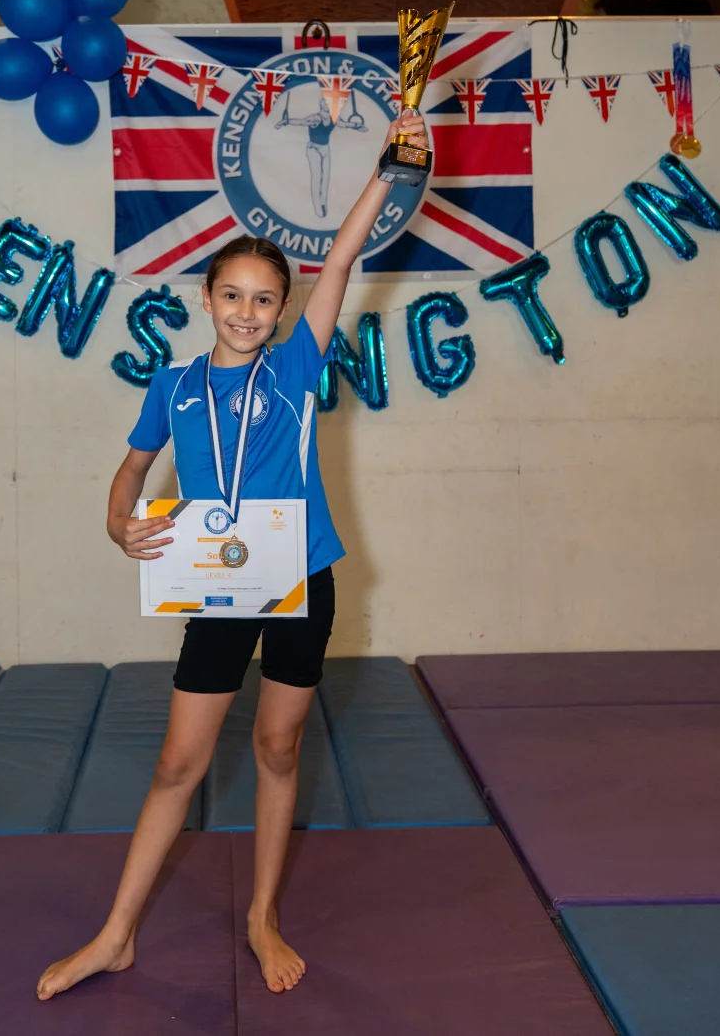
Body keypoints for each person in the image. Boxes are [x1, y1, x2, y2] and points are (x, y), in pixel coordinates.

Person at [37, 110, 429, 1003]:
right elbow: (131, 470)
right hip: (217, 589)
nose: (248, 311)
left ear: (281, 310)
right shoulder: (172, 384)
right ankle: (116, 932)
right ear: (205, 302)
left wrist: (388, 170)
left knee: (279, 745)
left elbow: (338, 261)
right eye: (232, 296)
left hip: (298, 580)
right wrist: (118, 521)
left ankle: (260, 915)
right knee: (180, 762)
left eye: (264, 299)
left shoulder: (295, 367)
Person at [278, 90, 368, 219]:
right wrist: (285, 121)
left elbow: (344, 124)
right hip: (313, 148)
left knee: (325, 177)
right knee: (317, 177)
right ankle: (317, 206)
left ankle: (323, 203)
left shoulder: (334, 118)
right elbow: (301, 122)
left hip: (325, 149)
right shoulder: (316, 118)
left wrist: (357, 125)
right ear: (322, 105)